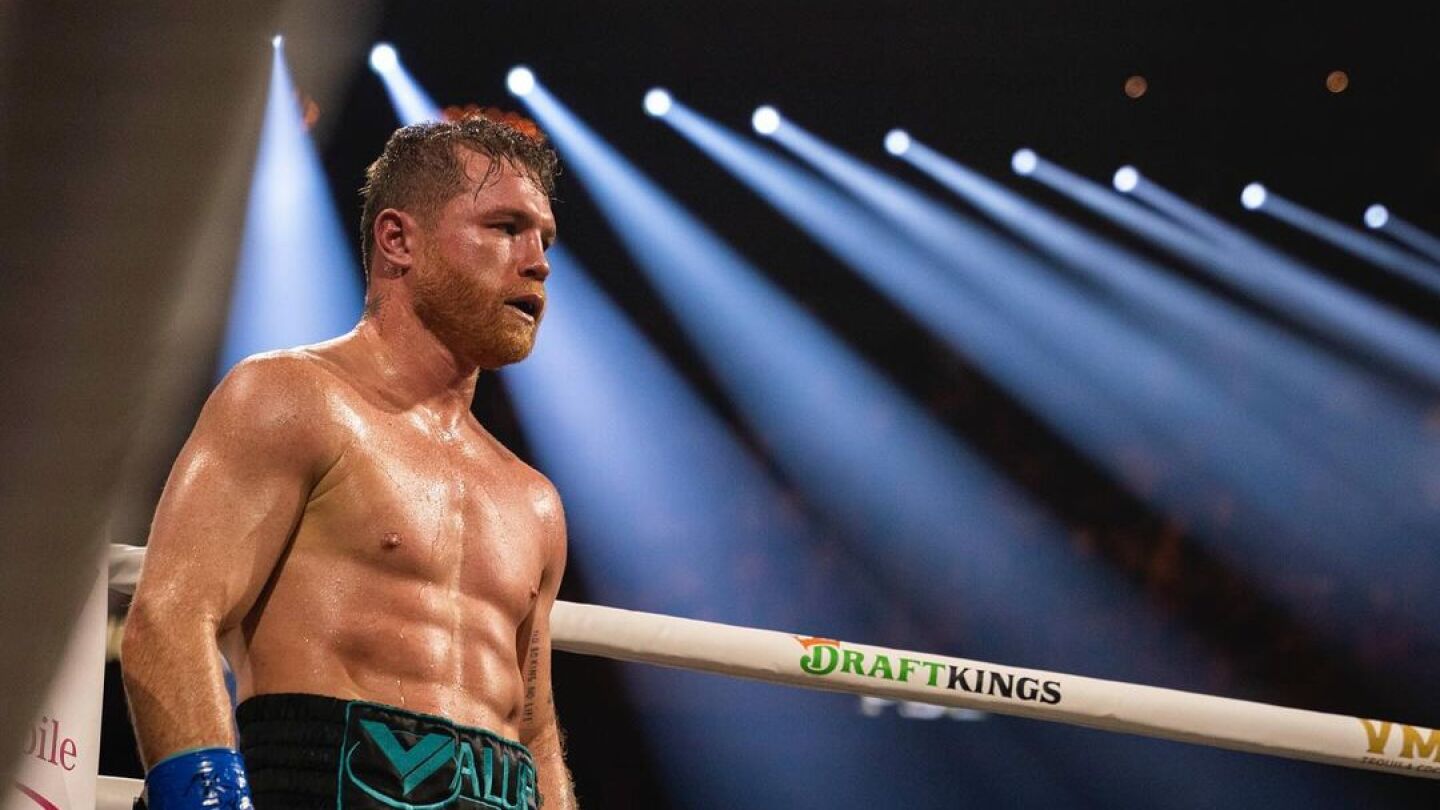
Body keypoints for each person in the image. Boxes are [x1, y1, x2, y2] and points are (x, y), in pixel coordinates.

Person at [122, 114, 575, 809]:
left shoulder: (533, 500)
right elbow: (170, 618)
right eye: (506, 227)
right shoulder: (292, 398)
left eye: (544, 237)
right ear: (398, 240)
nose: (537, 261)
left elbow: (535, 733)